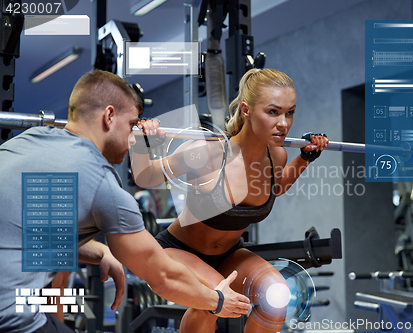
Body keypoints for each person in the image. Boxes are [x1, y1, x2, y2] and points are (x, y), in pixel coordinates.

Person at [0, 70, 251, 333]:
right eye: (131, 126)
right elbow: (162, 277)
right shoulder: (98, 179)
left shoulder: (23, 144)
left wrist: (102, 251)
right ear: (109, 116)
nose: (132, 139)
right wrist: (218, 300)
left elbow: (31, 235)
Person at [131, 68, 329, 332]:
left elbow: (277, 187)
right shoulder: (208, 153)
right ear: (246, 110)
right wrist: (141, 142)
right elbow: (146, 175)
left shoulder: (277, 156)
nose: (283, 123)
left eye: (289, 112)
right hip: (178, 251)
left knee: (277, 292)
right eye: (273, 112)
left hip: (229, 254)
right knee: (217, 298)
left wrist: (304, 158)